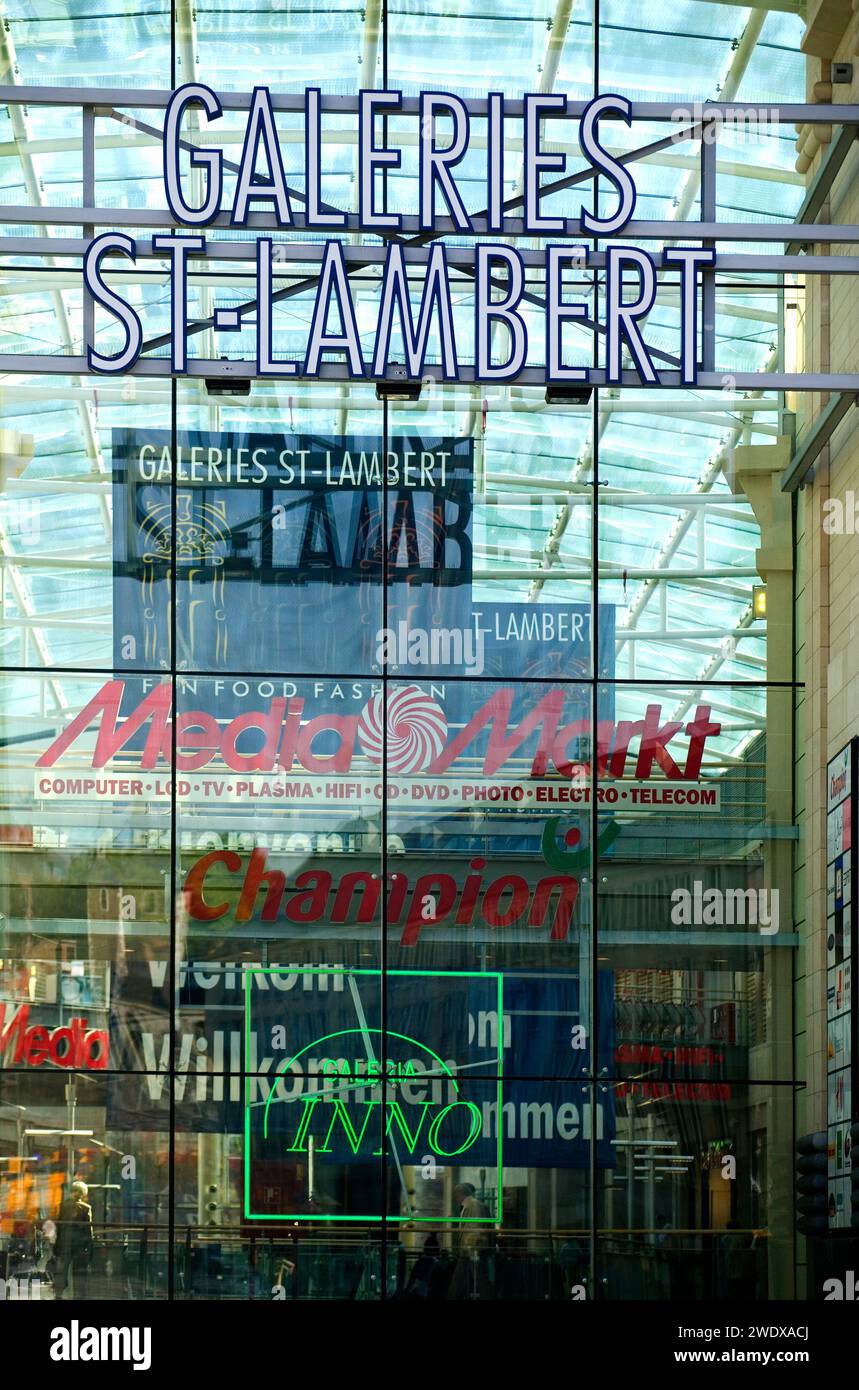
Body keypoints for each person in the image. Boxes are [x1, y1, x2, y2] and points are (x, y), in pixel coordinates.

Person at [52, 1181, 93, 1300]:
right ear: (83, 1194)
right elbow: (88, 1230)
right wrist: (90, 1247)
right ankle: (78, 1296)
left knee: (62, 1271)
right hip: (80, 1245)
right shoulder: (86, 1208)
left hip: (65, 1243)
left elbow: (59, 1226)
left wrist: (57, 1244)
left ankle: (58, 1295)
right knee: (78, 1273)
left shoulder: (63, 1206)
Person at [448, 1183, 491, 1299]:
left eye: (455, 1195)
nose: (455, 1198)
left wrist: (468, 1247)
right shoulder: (470, 1205)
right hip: (470, 1251)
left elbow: (475, 1228)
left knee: (480, 1281)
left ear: (460, 1194)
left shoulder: (473, 1205)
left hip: (472, 1251)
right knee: (471, 1280)